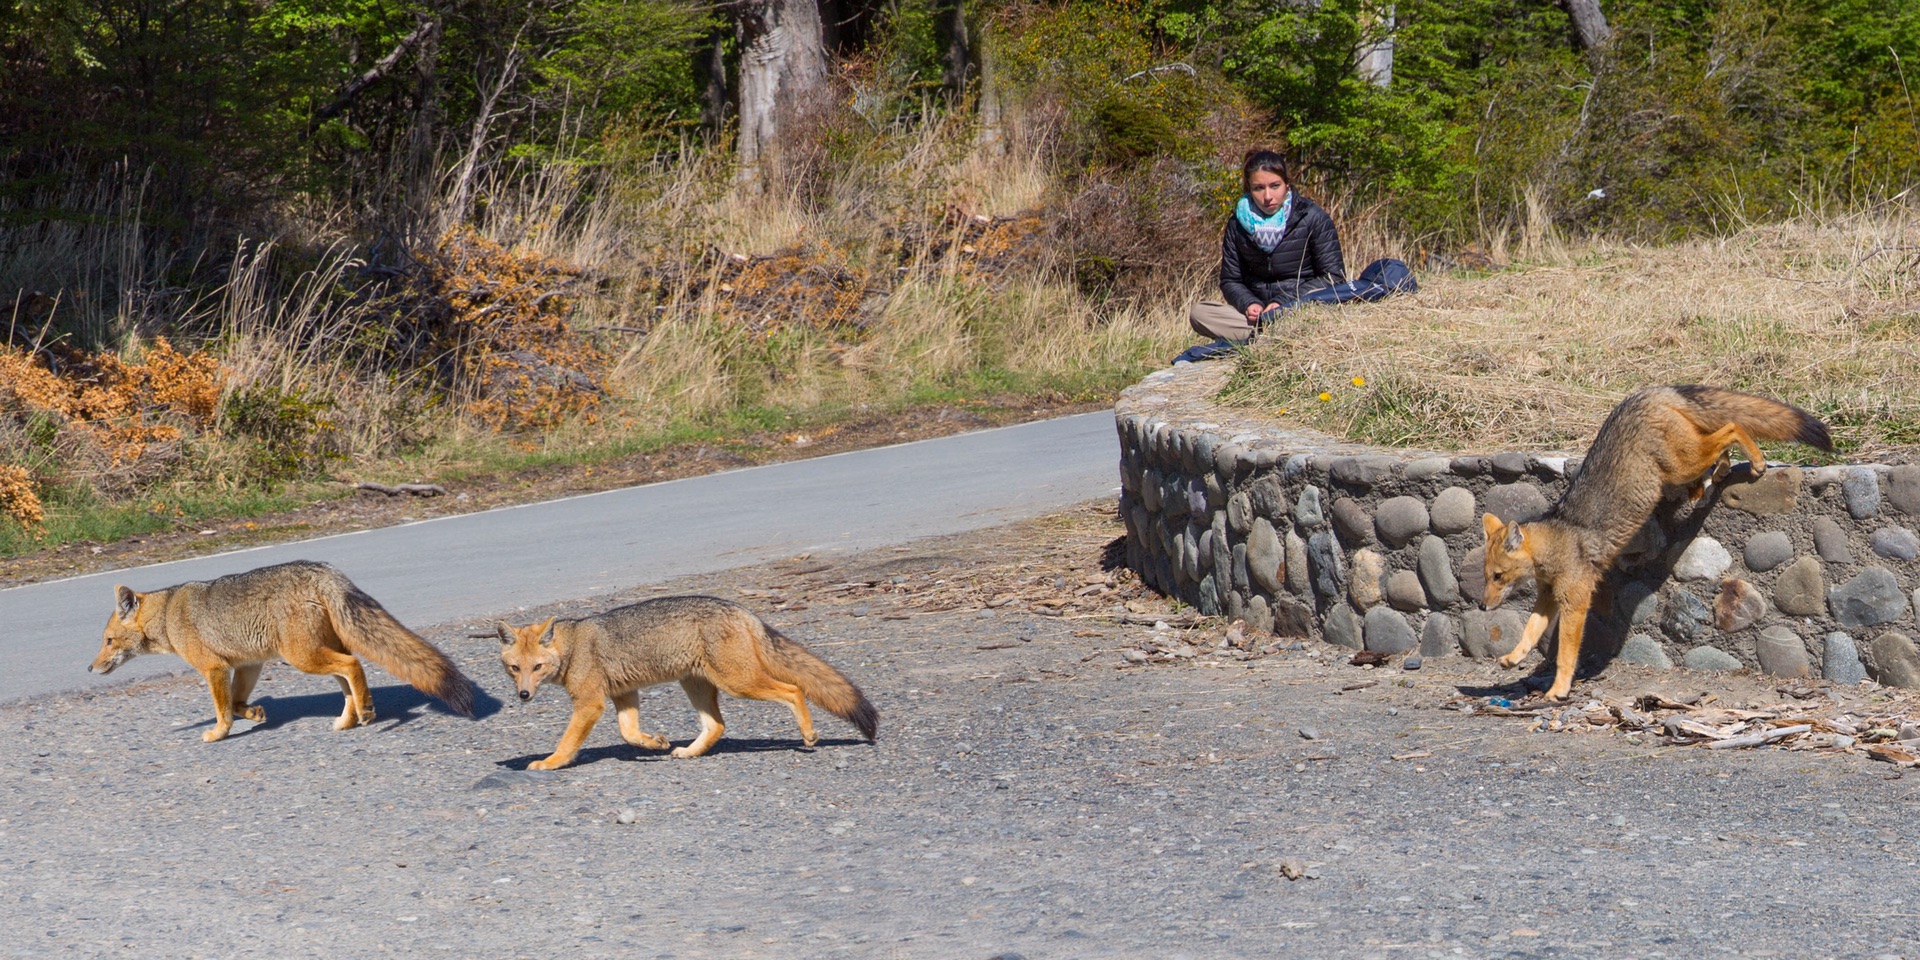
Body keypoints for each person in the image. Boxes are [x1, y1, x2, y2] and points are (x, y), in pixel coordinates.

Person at [1188, 150, 1345, 344]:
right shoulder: (1237, 224)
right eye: (1259, 188)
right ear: (1249, 189)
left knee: (1311, 320)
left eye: (1275, 186)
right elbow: (1230, 280)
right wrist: (1249, 304)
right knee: (1200, 313)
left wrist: (1283, 302)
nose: (1267, 196)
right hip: (1257, 318)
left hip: (1300, 310)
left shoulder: (1313, 217)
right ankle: (1272, 338)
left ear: (1287, 184)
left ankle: (1270, 338)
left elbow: (1333, 277)